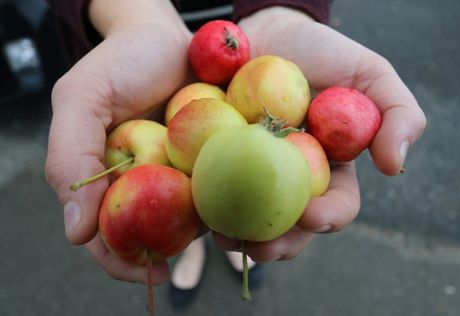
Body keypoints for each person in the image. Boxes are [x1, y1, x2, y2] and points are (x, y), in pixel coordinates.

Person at [44, 0, 426, 303]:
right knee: (185, 213)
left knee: (231, 211)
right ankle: (196, 247)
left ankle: (223, 235)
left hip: (231, 71)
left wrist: (284, 9)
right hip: (154, 67)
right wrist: (131, 13)